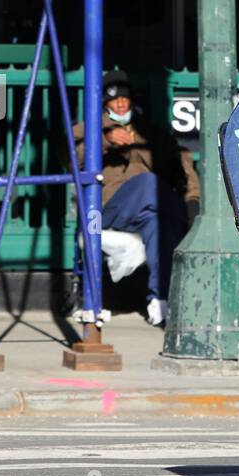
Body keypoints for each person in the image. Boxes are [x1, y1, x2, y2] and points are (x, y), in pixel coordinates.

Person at [71, 71, 199, 326]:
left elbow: (182, 163)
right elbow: (72, 155)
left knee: (158, 220)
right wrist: (105, 140)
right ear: (104, 103)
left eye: (124, 98)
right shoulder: (89, 129)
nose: (120, 103)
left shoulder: (150, 132)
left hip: (146, 208)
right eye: (113, 99)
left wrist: (193, 199)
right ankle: (185, 219)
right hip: (108, 209)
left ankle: (160, 299)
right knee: (150, 186)